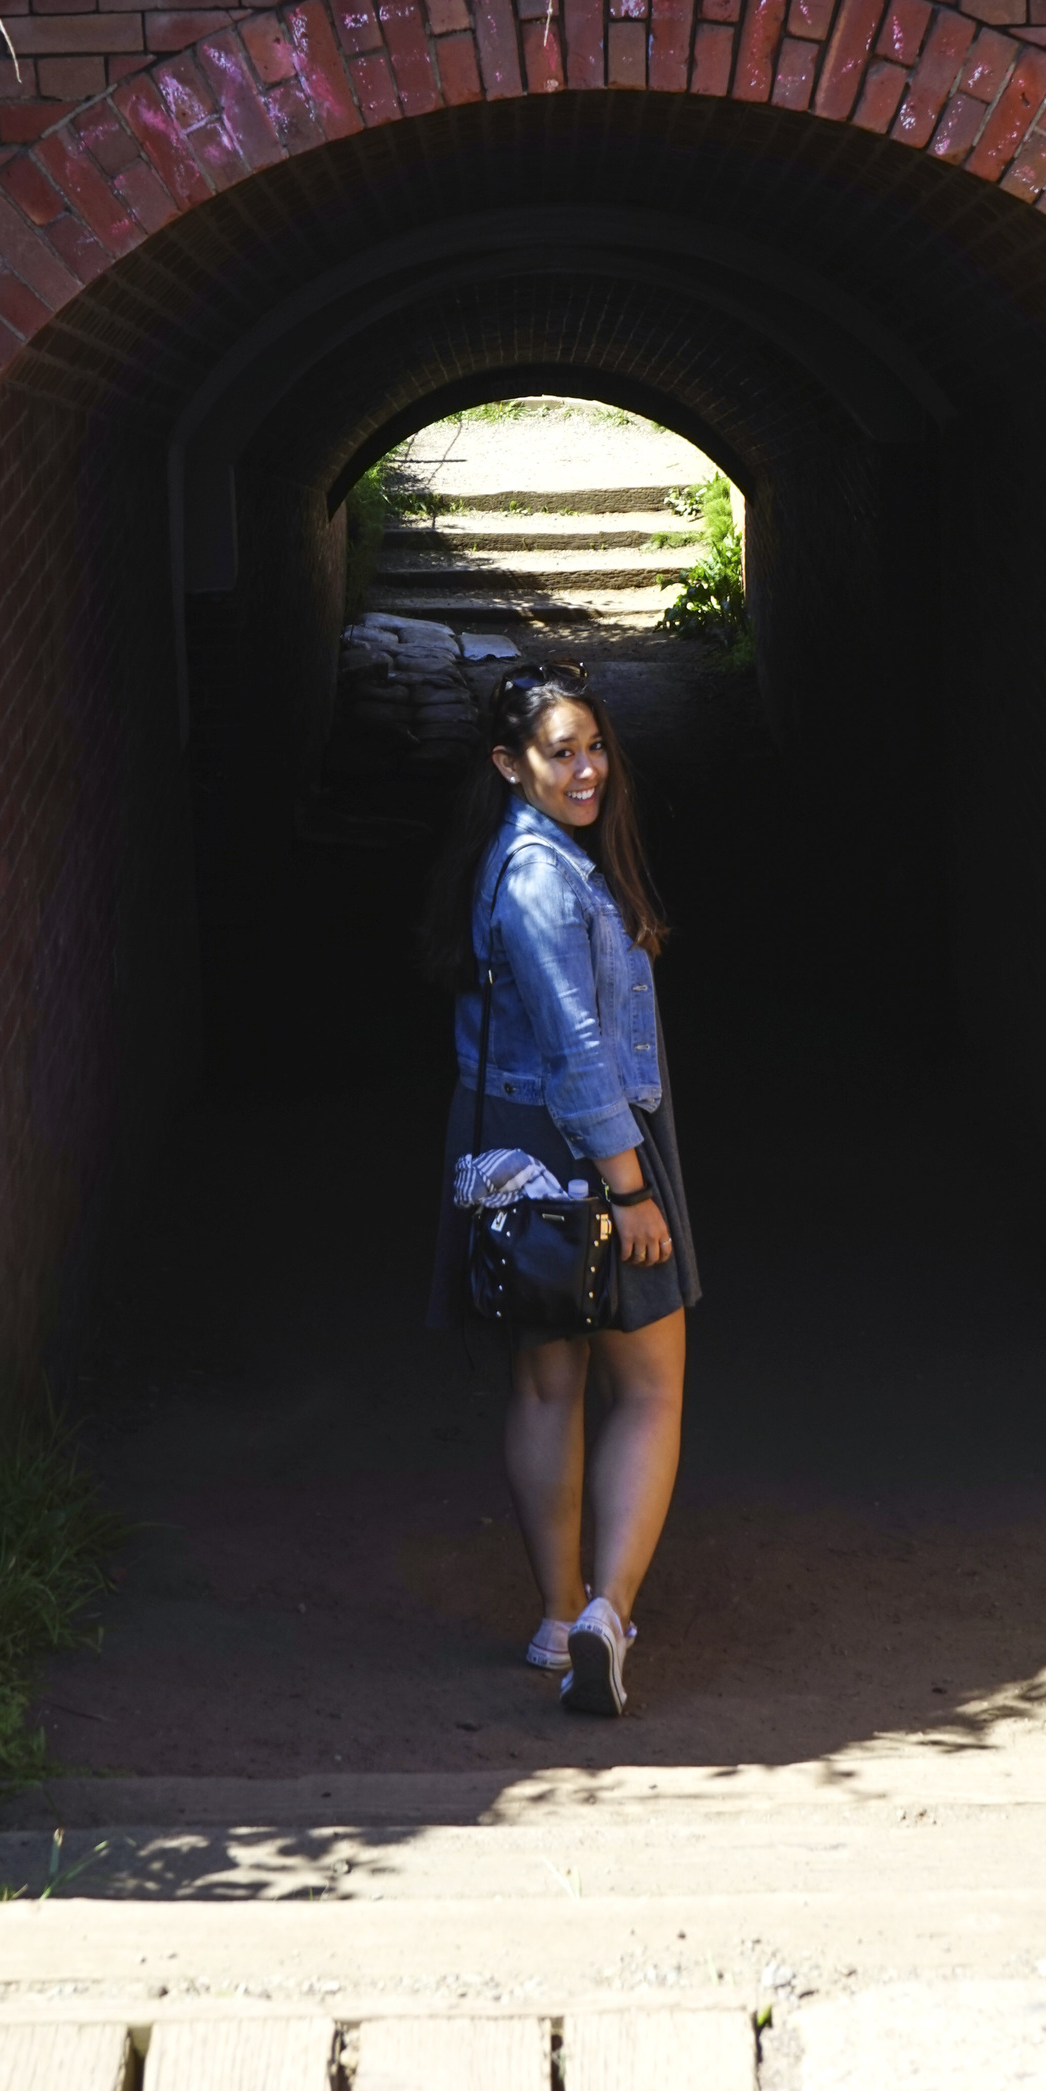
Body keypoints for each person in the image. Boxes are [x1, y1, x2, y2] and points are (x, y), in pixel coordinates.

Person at [423, 660, 699, 1718]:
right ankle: (604, 1613)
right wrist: (630, 1187)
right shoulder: (540, 876)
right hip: (583, 1145)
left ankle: (554, 1619)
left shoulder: (519, 859)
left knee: (544, 1383)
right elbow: (582, 1048)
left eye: (594, 745)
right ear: (510, 764)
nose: (587, 768)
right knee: (650, 1385)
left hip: (512, 1147)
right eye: (560, 752)